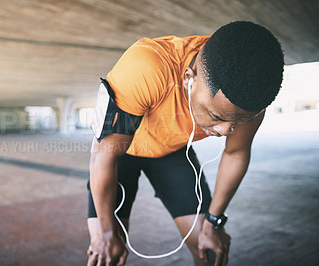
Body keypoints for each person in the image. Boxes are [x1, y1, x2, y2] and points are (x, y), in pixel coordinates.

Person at [86, 21, 284, 266]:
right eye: (217, 117)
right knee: (106, 254)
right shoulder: (147, 66)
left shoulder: (250, 99)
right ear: (189, 79)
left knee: (210, 251)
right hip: (121, 152)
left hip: (172, 151)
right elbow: (103, 154)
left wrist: (214, 222)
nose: (225, 131)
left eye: (237, 122)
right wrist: (105, 233)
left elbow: (236, 153)